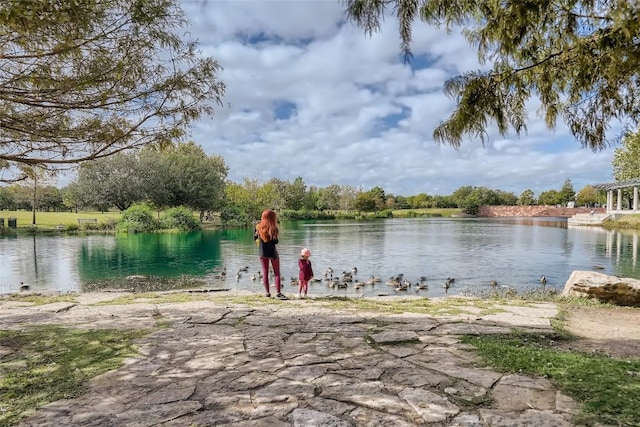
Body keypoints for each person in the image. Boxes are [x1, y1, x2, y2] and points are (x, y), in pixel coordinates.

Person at [254, 209, 287, 300]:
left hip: (262, 252)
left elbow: (255, 238)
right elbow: (276, 242)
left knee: (265, 272)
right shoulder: (274, 229)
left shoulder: (258, 227)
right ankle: (278, 293)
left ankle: (267, 293)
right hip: (273, 253)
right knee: (277, 273)